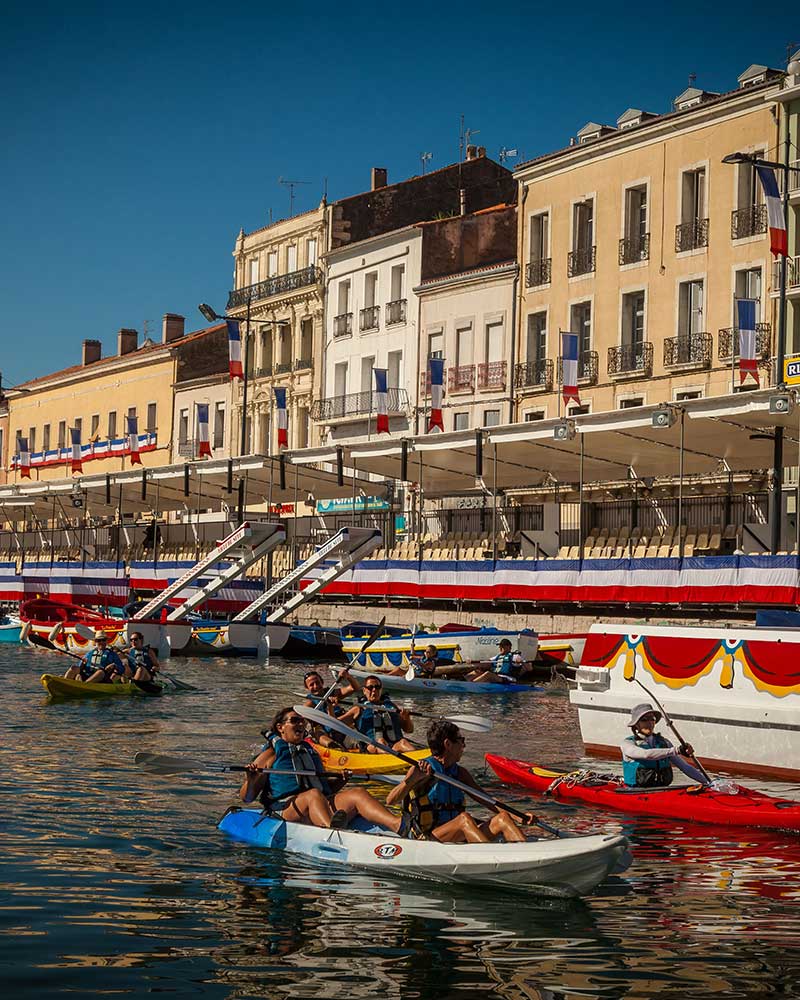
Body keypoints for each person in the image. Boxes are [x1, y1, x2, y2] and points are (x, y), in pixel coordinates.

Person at [240, 706, 407, 833]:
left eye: (301, 720)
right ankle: (333, 833)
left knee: (358, 792)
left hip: (317, 804)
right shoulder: (270, 755)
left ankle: (398, 825)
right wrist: (251, 779)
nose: (300, 723)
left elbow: (325, 789)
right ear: (280, 727)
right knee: (312, 795)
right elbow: (247, 798)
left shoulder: (310, 751)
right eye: (294, 720)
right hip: (285, 810)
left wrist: (342, 779)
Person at [386, 719, 537, 843]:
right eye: (461, 740)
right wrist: (412, 780)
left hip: (457, 834)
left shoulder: (460, 773)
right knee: (464, 819)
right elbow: (391, 800)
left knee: (503, 818)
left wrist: (519, 816)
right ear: (448, 744)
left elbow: (487, 800)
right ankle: (489, 858)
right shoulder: (422, 769)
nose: (464, 746)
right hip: (429, 837)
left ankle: (527, 854)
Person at [621, 703, 710, 787]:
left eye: (652, 719)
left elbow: (685, 767)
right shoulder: (628, 743)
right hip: (633, 791)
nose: (649, 723)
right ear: (636, 724)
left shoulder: (664, 743)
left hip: (661, 790)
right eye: (644, 720)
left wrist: (708, 783)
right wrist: (677, 750)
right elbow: (646, 754)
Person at [352, 675, 415, 753]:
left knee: (404, 742)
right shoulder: (358, 708)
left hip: (394, 744)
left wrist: (406, 718)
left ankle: (419, 761)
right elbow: (335, 724)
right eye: (370, 687)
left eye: (377, 687)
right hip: (371, 747)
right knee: (381, 742)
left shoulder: (392, 706)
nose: (374, 690)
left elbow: (409, 730)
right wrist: (331, 705)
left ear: (381, 689)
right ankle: (391, 759)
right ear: (364, 690)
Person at [64, 630, 129, 683]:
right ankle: (65, 682)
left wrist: (114, 665)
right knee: (74, 668)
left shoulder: (112, 654)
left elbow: (122, 669)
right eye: (98, 640)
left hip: (103, 679)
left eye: (103, 640)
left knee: (100, 672)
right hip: (88, 675)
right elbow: (80, 668)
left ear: (106, 641)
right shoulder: (89, 653)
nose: (101, 642)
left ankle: (85, 685)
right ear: (95, 642)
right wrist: (83, 664)